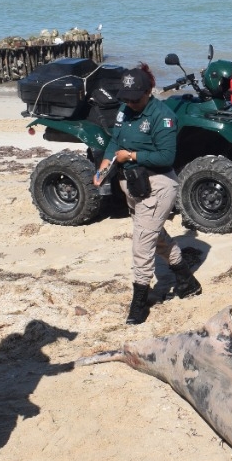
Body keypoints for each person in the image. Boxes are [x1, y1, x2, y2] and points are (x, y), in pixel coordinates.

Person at [94, 64, 201, 325]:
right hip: (132, 184)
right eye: (126, 98)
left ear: (148, 92)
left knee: (142, 244)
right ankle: (187, 281)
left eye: (135, 98)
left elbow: (167, 156)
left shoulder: (162, 116)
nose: (130, 103)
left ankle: (139, 302)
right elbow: (114, 142)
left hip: (159, 185)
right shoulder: (124, 110)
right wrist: (105, 164)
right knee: (155, 235)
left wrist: (131, 156)